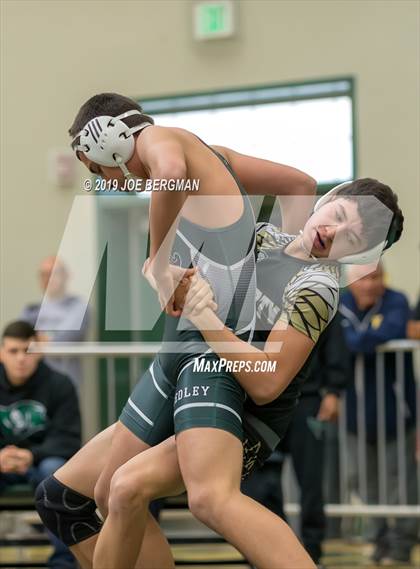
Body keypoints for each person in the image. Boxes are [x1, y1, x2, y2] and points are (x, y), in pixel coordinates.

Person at [36, 171, 403, 568]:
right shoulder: (261, 237)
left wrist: (207, 317)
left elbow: (266, 383)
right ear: (327, 198)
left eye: (351, 238)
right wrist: (167, 273)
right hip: (192, 374)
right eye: (340, 213)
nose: (334, 231)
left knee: (178, 494)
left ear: (356, 255)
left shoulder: (317, 286)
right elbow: (206, 191)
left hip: (246, 412)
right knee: (64, 499)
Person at [241, 311, 351, 566]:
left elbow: (335, 343)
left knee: (311, 482)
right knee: (260, 485)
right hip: (264, 403)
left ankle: (312, 554)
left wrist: (333, 391)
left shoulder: (315, 287)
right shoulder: (254, 291)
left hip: (307, 402)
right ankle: (272, 552)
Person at [339, 263, 418, 565]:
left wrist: (355, 342)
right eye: (363, 279)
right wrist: (369, 339)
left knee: (402, 483)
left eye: (376, 277)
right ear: (351, 281)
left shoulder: (396, 300)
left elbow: (391, 329)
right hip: (353, 415)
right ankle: (379, 539)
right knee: (360, 480)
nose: (371, 285)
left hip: (397, 415)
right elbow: (339, 339)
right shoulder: (340, 303)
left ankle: (401, 545)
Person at [0, 320, 81, 569]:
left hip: (42, 461)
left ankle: (64, 563)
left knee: (55, 474)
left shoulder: (60, 384)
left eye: (28, 350)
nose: (21, 358)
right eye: (13, 351)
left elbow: (68, 439)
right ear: (1, 352)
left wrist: (30, 455)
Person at [21, 256, 89, 388]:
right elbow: (19, 337)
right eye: (44, 274)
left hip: (66, 380)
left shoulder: (79, 307)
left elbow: (63, 338)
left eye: (54, 273)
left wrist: (37, 339)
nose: (49, 278)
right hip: (34, 382)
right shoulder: (31, 309)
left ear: (66, 276)